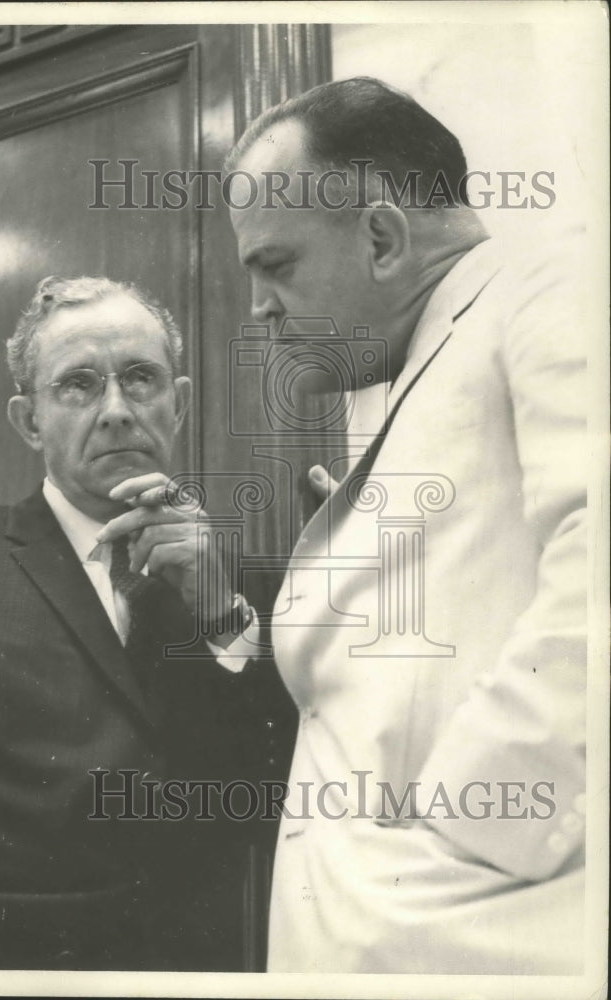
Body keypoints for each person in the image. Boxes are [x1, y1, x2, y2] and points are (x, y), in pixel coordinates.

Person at [225, 77, 587, 973]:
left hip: (463, 938)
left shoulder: (546, 289)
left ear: (381, 237)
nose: (258, 308)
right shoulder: (416, 359)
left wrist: (468, 826)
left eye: (274, 266)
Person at [0, 275, 292, 971]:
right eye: (78, 385)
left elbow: (271, 799)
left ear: (180, 403)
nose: (115, 410)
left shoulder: (240, 589)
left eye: (141, 378)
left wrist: (220, 613)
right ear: (28, 421)